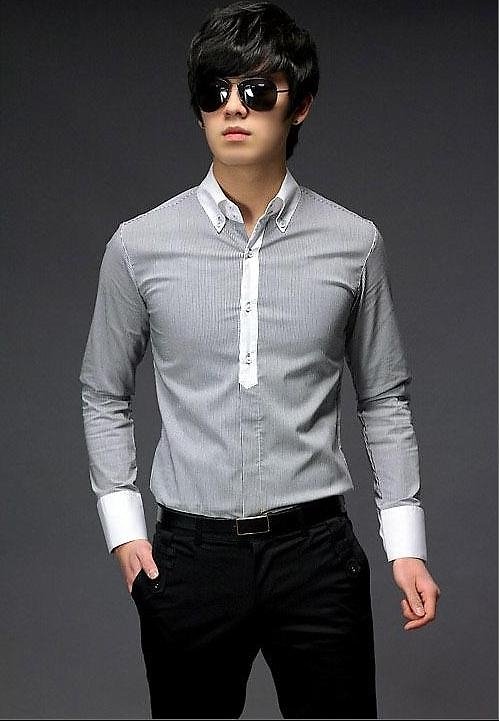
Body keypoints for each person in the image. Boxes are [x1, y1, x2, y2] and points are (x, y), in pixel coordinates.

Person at [79, 2, 441, 718]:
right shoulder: (138, 245)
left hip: (316, 555)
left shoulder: (353, 242)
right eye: (214, 90)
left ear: (298, 104)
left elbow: (383, 398)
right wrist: (123, 526)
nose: (232, 108)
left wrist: (405, 545)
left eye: (255, 89)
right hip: (190, 557)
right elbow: (103, 390)